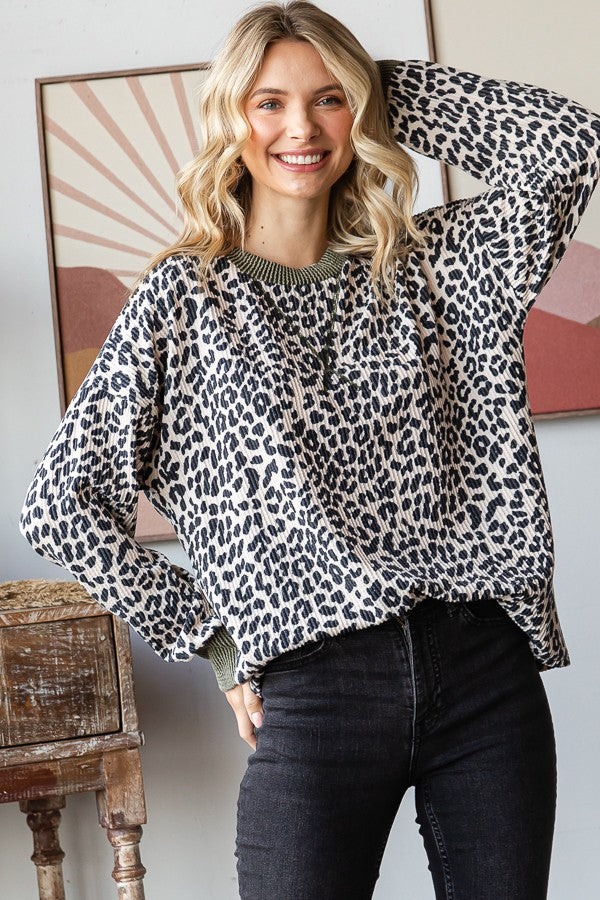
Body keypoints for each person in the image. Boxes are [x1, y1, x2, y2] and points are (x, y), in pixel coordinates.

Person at [19, 1, 600, 897]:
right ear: (232, 120)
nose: (302, 128)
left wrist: (379, 90)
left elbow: (568, 145)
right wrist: (213, 639)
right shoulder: (187, 301)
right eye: (270, 103)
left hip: (482, 668)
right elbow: (60, 505)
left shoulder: (436, 266)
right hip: (316, 688)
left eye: (329, 100)